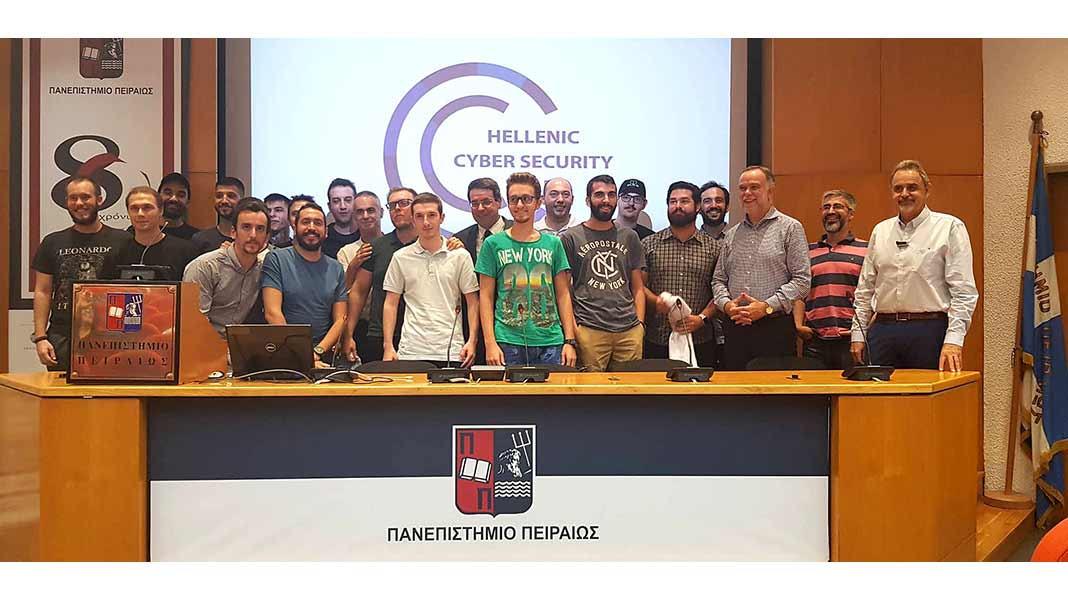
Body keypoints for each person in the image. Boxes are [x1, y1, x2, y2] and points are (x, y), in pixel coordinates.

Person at [850, 160, 978, 371]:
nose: (904, 194)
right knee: (876, 392)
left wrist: (954, 340)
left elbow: (963, 291)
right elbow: (865, 288)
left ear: (927, 190)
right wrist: (858, 333)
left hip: (929, 330)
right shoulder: (881, 231)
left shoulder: (949, 227)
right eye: (898, 188)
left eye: (912, 187)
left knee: (926, 392)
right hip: (883, 330)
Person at [712, 165, 811, 370]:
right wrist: (727, 306)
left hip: (774, 328)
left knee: (772, 389)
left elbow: (802, 281)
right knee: (736, 387)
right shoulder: (731, 234)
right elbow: (718, 280)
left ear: (770, 192)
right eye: (742, 188)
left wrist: (766, 307)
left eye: (754, 187)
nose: (747, 193)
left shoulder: (790, 228)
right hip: (736, 328)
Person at [475, 172, 577, 367]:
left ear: (538, 203)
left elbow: (563, 294)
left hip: (550, 341)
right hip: (507, 341)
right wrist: (490, 343)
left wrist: (569, 341)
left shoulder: (553, 243)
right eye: (514, 199)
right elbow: (485, 297)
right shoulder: (492, 244)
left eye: (526, 199)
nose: (520, 205)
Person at [31, 176, 131, 371]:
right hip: (62, 335)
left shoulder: (123, 240)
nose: (79, 203)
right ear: (66, 202)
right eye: (73, 198)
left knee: (111, 390)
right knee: (61, 391)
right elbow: (42, 291)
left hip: (110, 335)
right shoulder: (52, 242)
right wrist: (41, 337)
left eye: (85, 197)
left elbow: (130, 291)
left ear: (99, 200)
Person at [381, 193, 480, 365]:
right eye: (419, 216)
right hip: (411, 351)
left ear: (442, 218)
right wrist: (388, 345)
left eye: (432, 215)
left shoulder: (460, 256)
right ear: (413, 220)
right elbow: (390, 303)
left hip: (451, 351)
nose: (426, 222)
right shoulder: (400, 257)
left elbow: (473, 302)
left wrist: (472, 341)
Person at [561, 175, 646, 371]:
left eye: (611, 195)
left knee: (630, 385)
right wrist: (573, 332)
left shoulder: (630, 237)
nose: (606, 200)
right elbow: (563, 291)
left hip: (629, 331)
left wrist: (640, 325)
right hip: (589, 329)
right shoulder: (571, 237)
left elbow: (638, 287)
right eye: (599, 195)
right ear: (587, 200)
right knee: (590, 389)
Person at [640, 181, 721, 366]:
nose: (677, 206)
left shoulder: (714, 248)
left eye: (684, 201)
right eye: (673, 201)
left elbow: (720, 291)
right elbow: (639, 286)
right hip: (658, 338)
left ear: (698, 206)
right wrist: (656, 302)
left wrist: (701, 318)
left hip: (700, 338)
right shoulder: (648, 244)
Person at [261, 202, 348, 366]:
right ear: (294, 228)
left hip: (322, 355)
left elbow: (341, 319)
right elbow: (272, 313)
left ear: (326, 232)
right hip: (283, 353)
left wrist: (317, 352)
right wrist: (301, 356)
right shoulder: (276, 259)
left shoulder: (336, 268)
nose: (311, 227)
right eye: (305, 222)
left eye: (318, 223)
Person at [792, 190, 868, 370]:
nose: (831, 211)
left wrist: (863, 331)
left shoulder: (867, 250)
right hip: (815, 341)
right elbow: (799, 292)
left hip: (851, 341)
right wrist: (798, 325)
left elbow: (874, 294)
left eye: (838, 206)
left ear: (851, 214)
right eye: (826, 207)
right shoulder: (807, 251)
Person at [343, 187, 419, 364]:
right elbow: (358, 292)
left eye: (404, 203)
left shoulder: (429, 245)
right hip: (380, 335)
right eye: (392, 205)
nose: (398, 209)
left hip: (419, 334)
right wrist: (348, 335)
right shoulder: (376, 247)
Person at [183, 197, 271, 337]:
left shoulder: (264, 269)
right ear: (233, 232)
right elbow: (194, 325)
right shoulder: (204, 267)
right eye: (246, 227)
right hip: (204, 343)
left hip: (238, 343)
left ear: (266, 237)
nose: (253, 235)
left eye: (260, 229)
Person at [451, 178, 513, 364]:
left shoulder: (518, 232)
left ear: (499, 202)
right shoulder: (460, 239)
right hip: (473, 325)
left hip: (512, 323)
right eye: (474, 203)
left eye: (486, 202)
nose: (480, 208)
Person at [102, 186, 199, 281]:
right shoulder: (116, 253)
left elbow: (191, 289)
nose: (140, 214)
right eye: (134, 208)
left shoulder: (186, 251)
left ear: (160, 211)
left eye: (147, 208)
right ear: (128, 212)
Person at [337, 190, 385, 359]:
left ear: (381, 212)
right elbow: (341, 293)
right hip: (359, 325)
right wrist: (354, 265)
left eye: (370, 210)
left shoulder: (393, 246)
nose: (365, 216)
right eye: (360, 212)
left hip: (389, 325)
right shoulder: (346, 252)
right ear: (354, 216)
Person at [191, 177, 244, 255]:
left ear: (242, 200)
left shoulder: (250, 238)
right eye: (219, 196)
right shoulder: (200, 239)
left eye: (230, 196)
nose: (224, 201)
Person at [152, 172, 200, 240]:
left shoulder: (197, 238)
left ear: (187, 202)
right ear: (158, 198)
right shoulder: (142, 233)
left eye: (180, 195)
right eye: (168, 193)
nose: (173, 199)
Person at [322, 177, 361, 259]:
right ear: (329, 206)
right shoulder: (323, 238)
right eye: (336, 201)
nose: (343, 206)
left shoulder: (366, 234)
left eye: (348, 200)